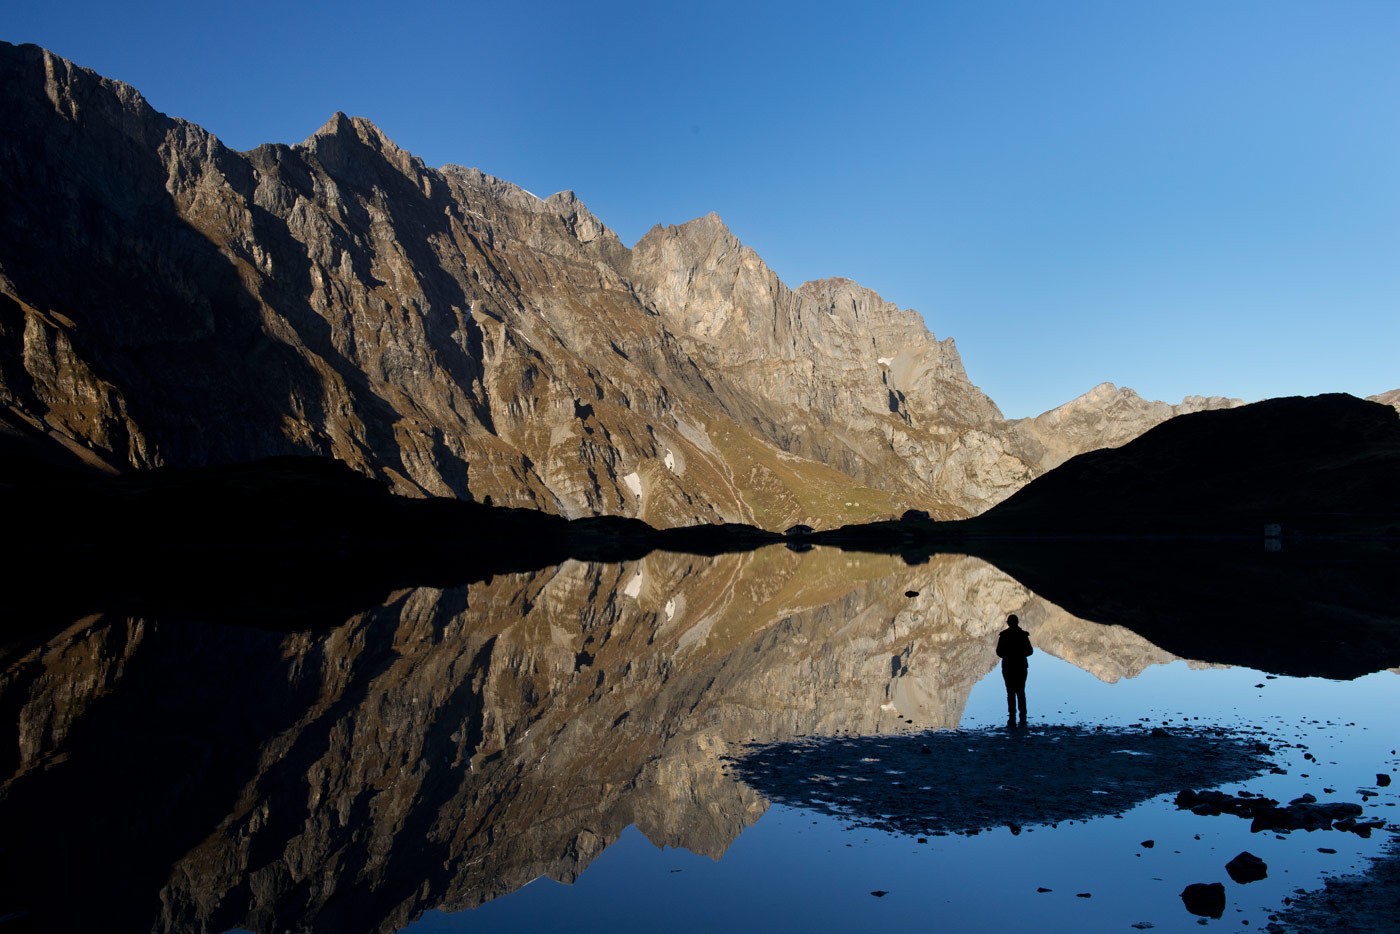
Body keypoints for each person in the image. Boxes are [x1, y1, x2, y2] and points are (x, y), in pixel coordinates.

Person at [995, 614, 1032, 726]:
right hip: (1021, 666)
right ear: (1017, 622)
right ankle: (1023, 716)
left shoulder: (1004, 636)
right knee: (1021, 691)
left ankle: (1012, 716)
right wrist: (1020, 654)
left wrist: (1008, 655)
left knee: (1010, 691)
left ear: (1008, 623)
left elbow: (999, 652)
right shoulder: (1023, 635)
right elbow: (1030, 651)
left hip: (1008, 667)